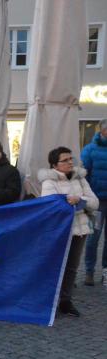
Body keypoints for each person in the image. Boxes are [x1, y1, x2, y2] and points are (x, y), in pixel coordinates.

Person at [39, 147, 99, 317]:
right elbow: (50, 206)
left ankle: (66, 301)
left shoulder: (80, 179)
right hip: (60, 231)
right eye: (65, 160)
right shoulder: (49, 182)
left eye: (71, 159)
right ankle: (49, 299)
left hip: (80, 229)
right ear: (54, 164)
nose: (70, 163)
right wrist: (68, 203)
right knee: (56, 265)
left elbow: (94, 203)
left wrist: (80, 200)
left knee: (72, 267)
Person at [82, 119, 107, 286]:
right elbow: (83, 174)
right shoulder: (90, 150)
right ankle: (89, 271)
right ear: (103, 130)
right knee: (93, 238)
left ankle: (105, 271)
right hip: (97, 202)